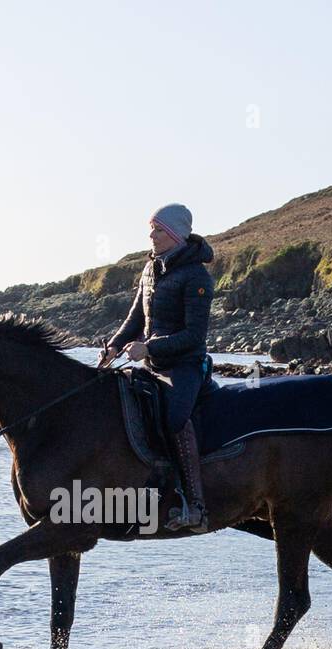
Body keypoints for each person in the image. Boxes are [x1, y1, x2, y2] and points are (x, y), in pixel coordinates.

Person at [98, 204, 214, 533]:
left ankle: (196, 506)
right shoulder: (150, 269)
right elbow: (135, 320)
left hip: (185, 366)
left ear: (176, 235)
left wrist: (148, 347)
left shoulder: (197, 277)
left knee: (175, 418)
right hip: (151, 363)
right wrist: (115, 347)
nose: (152, 235)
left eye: (158, 230)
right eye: (151, 229)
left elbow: (194, 336)